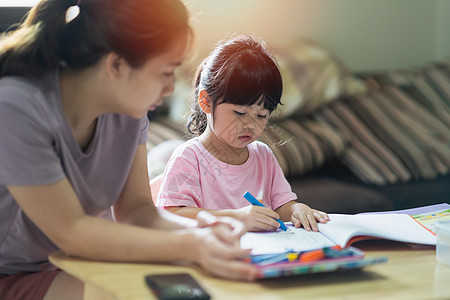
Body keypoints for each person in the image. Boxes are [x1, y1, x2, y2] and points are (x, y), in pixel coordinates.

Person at [0, 1, 258, 299]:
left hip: (79, 259)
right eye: (166, 72)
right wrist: (193, 245)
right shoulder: (16, 107)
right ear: (116, 65)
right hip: (14, 272)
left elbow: (138, 211)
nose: (171, 88)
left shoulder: (129, 111)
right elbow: (71, 231)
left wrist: (202, 229)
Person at [157, 35, 330, 232]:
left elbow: (281, 207)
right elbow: (172, 214)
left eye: (262, 116)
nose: (250, 125)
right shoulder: (189, 158)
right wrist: (235, 216)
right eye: (240, 113)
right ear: (205, 101)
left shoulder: (263, 156)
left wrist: (297, 209)